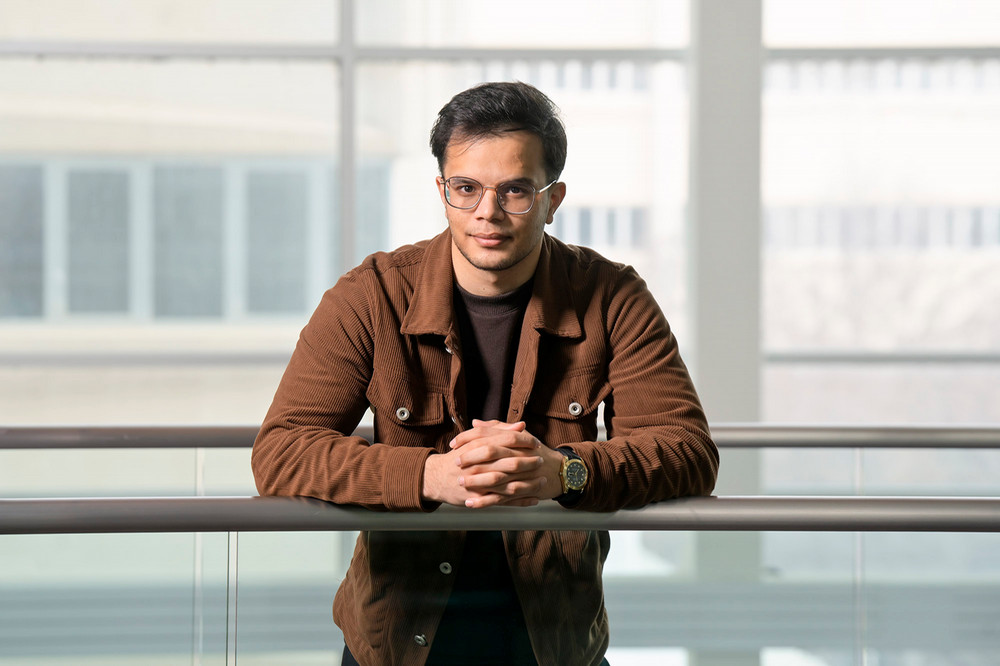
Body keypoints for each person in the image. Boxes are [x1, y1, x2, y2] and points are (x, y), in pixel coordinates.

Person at [252, 81, 718, 666]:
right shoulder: (371, 296)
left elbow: (688, 452)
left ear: (554, 199)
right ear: (441, 188)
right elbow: (282, 452)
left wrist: (563, 472)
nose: (486, 214)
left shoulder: (612, 296)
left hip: (555, 641)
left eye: (516, 191)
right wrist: (431, 477)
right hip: (398, 643)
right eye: (466, 188)